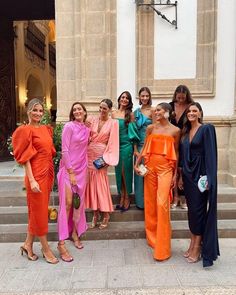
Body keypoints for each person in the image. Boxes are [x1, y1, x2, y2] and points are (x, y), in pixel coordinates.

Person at [12, 98, 59, 264]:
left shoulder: (46, 129)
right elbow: (25, 159)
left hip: (47, 174)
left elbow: (49, 152)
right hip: (35, 176)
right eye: (35, 110)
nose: (38, 113)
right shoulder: (25, 131)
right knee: (39, 212)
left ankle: (28, 244)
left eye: (41, 110)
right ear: (28, 111)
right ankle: (45, 249)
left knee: (36, 211)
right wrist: (32, 180)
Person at [134, 103, 180, 261]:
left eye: (158, 110)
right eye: (155, 111)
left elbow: (177, 152)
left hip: (166, 170)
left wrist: (175, 175)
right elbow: (145, 147)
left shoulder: (176, 131)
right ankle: (153, 239)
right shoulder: (150, 128)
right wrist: (137, 162)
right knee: (151, 203)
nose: (155, 113)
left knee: (162, 203)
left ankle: (163, 246)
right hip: (150, 169)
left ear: (167, 112)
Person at [178, 102, 219, 267]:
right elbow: (182, 157)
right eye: (189, 111)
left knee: (198, 213)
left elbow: (211, 154)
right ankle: (192, 243)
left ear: (200, 113)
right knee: (192, 213)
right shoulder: (185, 132)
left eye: (195, 110)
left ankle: (197, 248)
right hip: (188, 177)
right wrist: (180, 178)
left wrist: (210, 177)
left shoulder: (206, 129)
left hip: (201, 177)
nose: (191, 113)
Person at [57, 102, 90, 262]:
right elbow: (65, 150)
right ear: (72, 112)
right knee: (68, 203)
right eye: (75, 109)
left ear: (84, 112)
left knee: (78, 204)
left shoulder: (87, 129)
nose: (77, 111)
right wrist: (70, 172)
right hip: (68, 171)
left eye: (80, 109)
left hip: (82, 171)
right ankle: (61, 242)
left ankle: (75, 233)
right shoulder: (68, 126)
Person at [85, 99, 119, 229]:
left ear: (109, 109)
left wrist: (107, 159)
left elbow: (113, 142)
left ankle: (106, 214)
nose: (101, 110)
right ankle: (95, 214)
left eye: (104, 108)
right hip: (89, 156)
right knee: (92, 186)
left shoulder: (113, 123)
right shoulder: (92, 120)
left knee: (101, 186)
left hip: (102, 157)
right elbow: (84, 135)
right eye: (100, 107)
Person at [112, 91, 139, 211]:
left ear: (129, 101)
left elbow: (133, 134)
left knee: (125, 172)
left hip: (126, 146)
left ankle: (127, 197)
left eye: (127, 98)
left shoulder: (130, 115)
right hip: (115, 147)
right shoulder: (113, 113)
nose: (124, 99)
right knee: (118, 173)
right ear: (119, 99)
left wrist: (135, 149)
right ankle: (121, 196)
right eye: (123, 97)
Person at [169, 85, 194, 209]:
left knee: (183, 168)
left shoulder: (191, 106)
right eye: (178, 98)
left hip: (185, 141)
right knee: (173, 167)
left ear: (187, 96)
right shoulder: (170, 105)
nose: (180, 100)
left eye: (183, 98)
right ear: (175, 96)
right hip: (171, 140)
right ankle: (175, 196)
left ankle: (184, 198)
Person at [134, 87, 153, 209]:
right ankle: (140, 203)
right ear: (139, 97)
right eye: (142, 96)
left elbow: (156, 129)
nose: (145, 98)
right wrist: (135, 149)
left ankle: (149, 201)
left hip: (151, 146)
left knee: (150, 174)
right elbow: (134, 132)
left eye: (147, 96)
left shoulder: (154, 111)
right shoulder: (135, 112)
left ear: (149, 97)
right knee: (139, 173)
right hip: (139, 147)